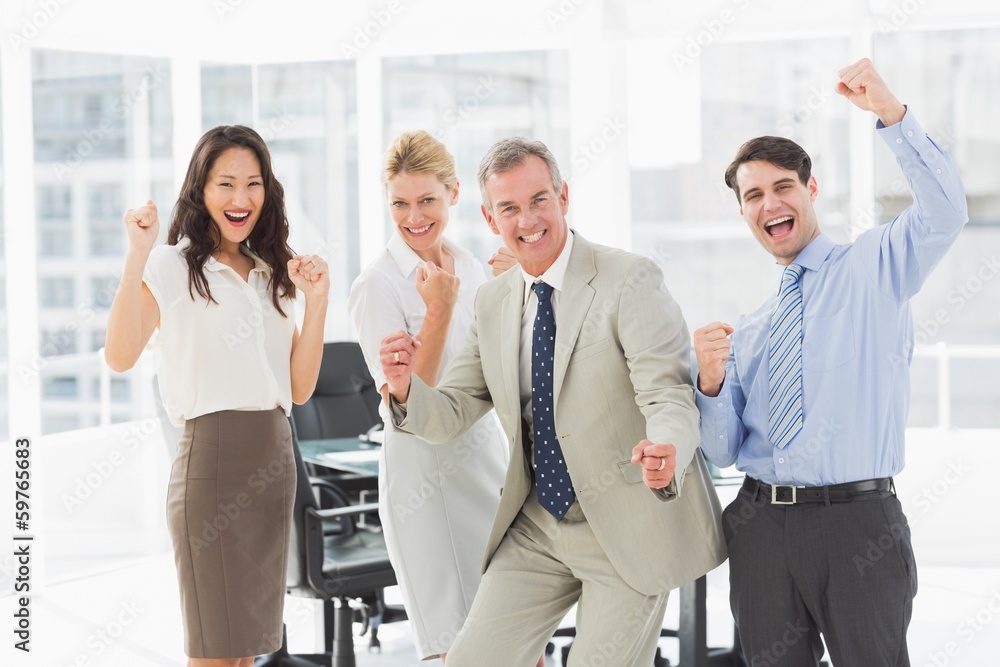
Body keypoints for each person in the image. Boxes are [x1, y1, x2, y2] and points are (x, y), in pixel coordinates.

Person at [379, 137, 726, 667]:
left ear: (563, 197)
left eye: (539, 199)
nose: (527, 220)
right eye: (509, 208)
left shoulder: (628, 279)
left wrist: (667, 449)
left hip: (626, 525)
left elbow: (668, 394)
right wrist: (405, 388)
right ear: (490, 219)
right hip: (538, 525)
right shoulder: (493, 301)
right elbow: (454, 409)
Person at [694, 58, 968, 666]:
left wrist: (890, 114)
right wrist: (709, 384)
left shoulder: (874, 269)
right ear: (743, 213)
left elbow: (946, 213)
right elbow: (721, 451)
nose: (770, 203)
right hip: (761, 529)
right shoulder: (752, 327)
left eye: (783, 187)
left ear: (810, 190)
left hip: (857, 526)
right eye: (754, 195)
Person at [104, 125, 329, 667]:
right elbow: (120, 355)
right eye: (225, 183)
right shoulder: (171, 265)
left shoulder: (274, 270)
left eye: (253, 183)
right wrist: (137, 255)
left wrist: (317, 301)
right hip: (212, 466)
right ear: (200, 190)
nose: (240, 197)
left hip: (275, 464)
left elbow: (299, 389)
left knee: (246, 653)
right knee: (213, 653)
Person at [347, 130, 509, 663]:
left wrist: (521, 291)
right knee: (457, 645)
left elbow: (496, 368)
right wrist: (437, 310)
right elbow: (415, 403)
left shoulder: (471, 266)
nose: (413, 217)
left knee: (516, 637)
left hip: (487, 459)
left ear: (454, 193)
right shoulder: (377, 285)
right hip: (427, 477)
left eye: (427, 200)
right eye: (399, 203)